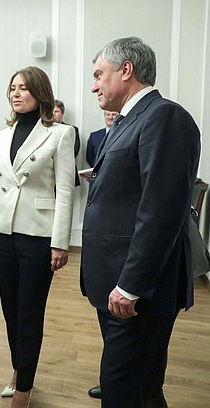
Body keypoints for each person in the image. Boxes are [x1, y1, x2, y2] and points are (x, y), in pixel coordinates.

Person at [81, 37, 200, 407]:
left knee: (125, 390)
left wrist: (131, 285)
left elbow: (161, 210)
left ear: (126, 70)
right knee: (140, 387)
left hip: (136, 292)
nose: (94, 85)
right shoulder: (129, 120)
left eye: (100, 74)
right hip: (117, 285)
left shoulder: (164, 116)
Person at [0, 66, 75, 408]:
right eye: (12, 88)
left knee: (30, 311)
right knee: (10, 310)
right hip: (4, 232)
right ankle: (19, 370)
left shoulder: (60, 134)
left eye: (23, 88)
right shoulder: (2, 135)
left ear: (39, 92)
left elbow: (65, 191)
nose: (15, 93)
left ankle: (24, 387)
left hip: (38, 235)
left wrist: (60, 242)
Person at [53, 99, 81, 186]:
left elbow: (74, 151)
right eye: (51, 111)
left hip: (66, 170)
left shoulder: (72, 129)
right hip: (48, 172)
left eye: (56, 111)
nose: (53, 114)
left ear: (62, 113)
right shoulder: (43, 130)